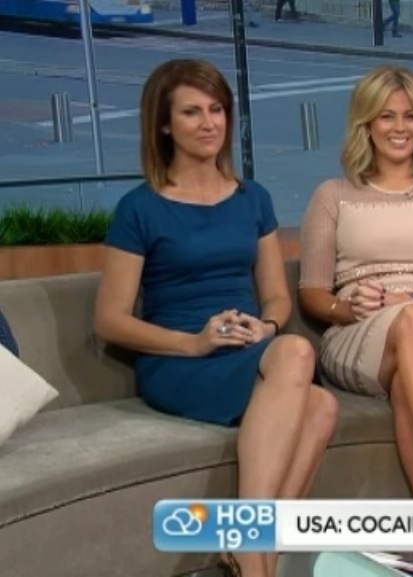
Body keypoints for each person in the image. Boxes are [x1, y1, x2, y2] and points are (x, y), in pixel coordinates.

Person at [94, 58, 338, 577]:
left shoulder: (253, 199)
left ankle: (254, 552)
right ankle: (254, 557)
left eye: (217, 110)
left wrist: (267, 327)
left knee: (321, 405)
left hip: (246, 349)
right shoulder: (139, 208)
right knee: (298, 354)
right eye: (191, 112)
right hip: (179, 359)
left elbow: (276, 299)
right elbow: (110, 320)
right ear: (164, 124)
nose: (209, 123)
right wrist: (195, 342)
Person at [297, 65, 413, 499]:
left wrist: (407, 298)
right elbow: (312, 293)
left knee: (410, 353)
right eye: (387, 116)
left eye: (411, 116)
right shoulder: (331, 195)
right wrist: (347, 308)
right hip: (359, 330)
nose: (401, 128)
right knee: (411, 322)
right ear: (366, 123)